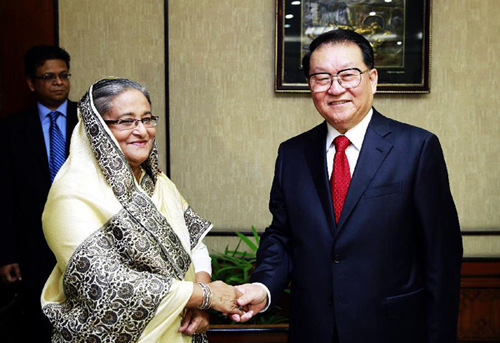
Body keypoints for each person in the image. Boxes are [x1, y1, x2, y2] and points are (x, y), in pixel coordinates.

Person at [233, 29, 463, 343]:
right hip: (314, 331)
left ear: (373, 79)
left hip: (394, 332)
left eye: (348, 74)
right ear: (311, 85)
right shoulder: (292, 154)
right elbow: (282, 236)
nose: (336, 88)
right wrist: (262, 287)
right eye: (321, 77)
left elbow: (442, 256)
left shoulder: (417, 148)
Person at [40, 77, 244, 342]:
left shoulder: (158, 183)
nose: (142, 131)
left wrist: (199, 301)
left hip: (181, 331)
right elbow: (107, 285)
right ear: (97, 128)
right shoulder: (72, 196)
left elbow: (194, 245)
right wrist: (206, 296)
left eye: (147, 119)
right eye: (126, 121)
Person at [0, 45, 78, 342]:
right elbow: (4, 195)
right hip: (32, 249)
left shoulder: (89, 123)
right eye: (48, 77)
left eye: (64, 75)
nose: (59, 82)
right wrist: (6, 254)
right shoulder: (11, 130)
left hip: (82, 242)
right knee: (38, 328)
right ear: (31, 83)